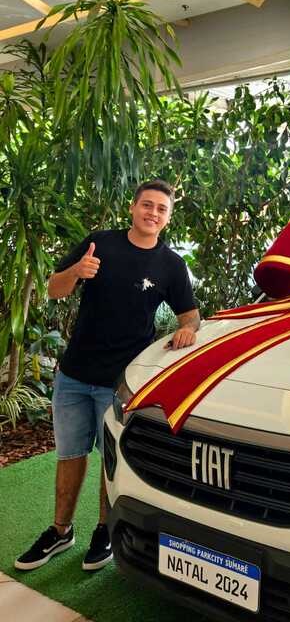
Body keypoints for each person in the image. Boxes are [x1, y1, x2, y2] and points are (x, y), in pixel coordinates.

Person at [15, 179, 200, 572]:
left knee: (111, 459)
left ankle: (105, 530)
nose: (152, 213)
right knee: (69, 454)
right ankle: (60, 531)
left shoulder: (170, 265)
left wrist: (187, 330)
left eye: (161, 209)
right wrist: (77, 271)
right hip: (74, 374)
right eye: (147, 205)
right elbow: (54, 289)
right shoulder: (100, 243)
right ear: (133, 208)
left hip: (121, 382)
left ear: (168, 218)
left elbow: (191, 315)